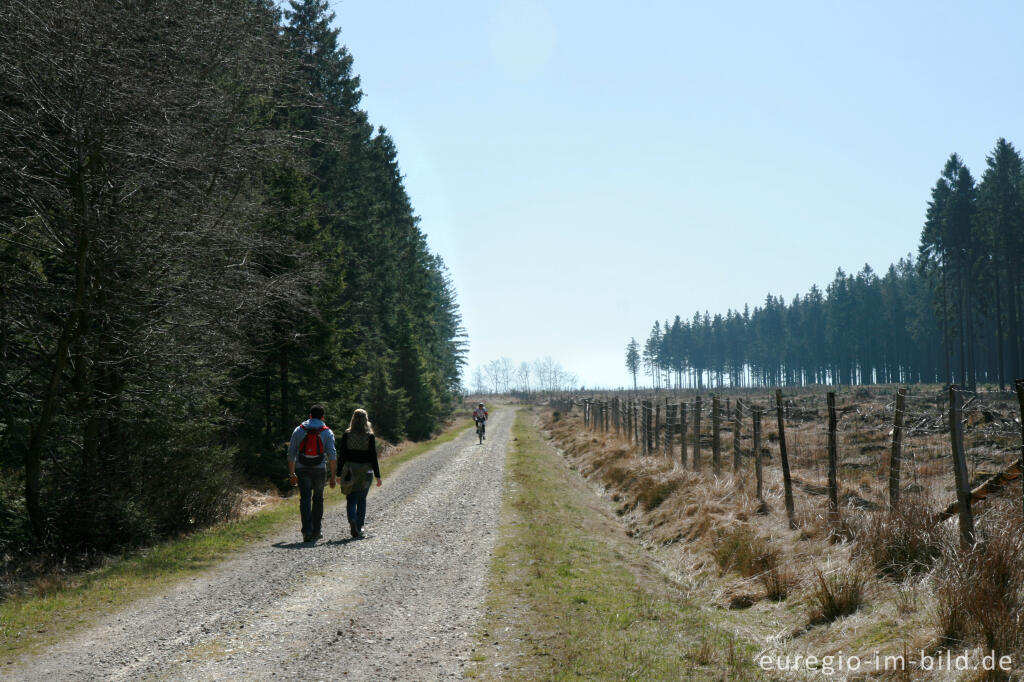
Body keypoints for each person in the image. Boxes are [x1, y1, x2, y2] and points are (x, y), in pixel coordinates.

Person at [287, 405, 337, 543]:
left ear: (310, 416)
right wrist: (332, 477)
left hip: (302, 468)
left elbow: (291, 454)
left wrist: (292, 474)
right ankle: (317, 530)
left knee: (305, 499)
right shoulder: (327, 432)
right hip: (319, 469)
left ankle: (307, 531)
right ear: (323, 417)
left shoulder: (299, 430)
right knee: (318, 499)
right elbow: (332, 455)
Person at [338, 408, 381, 539]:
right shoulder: (370, 435)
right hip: (366, 471)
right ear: (366, 419)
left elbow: (342, 455)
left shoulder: (347, 434)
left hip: (350, 470)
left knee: (351, 498)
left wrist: (339, 474)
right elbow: (373, 456)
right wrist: (378, 476)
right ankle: (359, 526)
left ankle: (352, 520)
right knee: (362, 499)